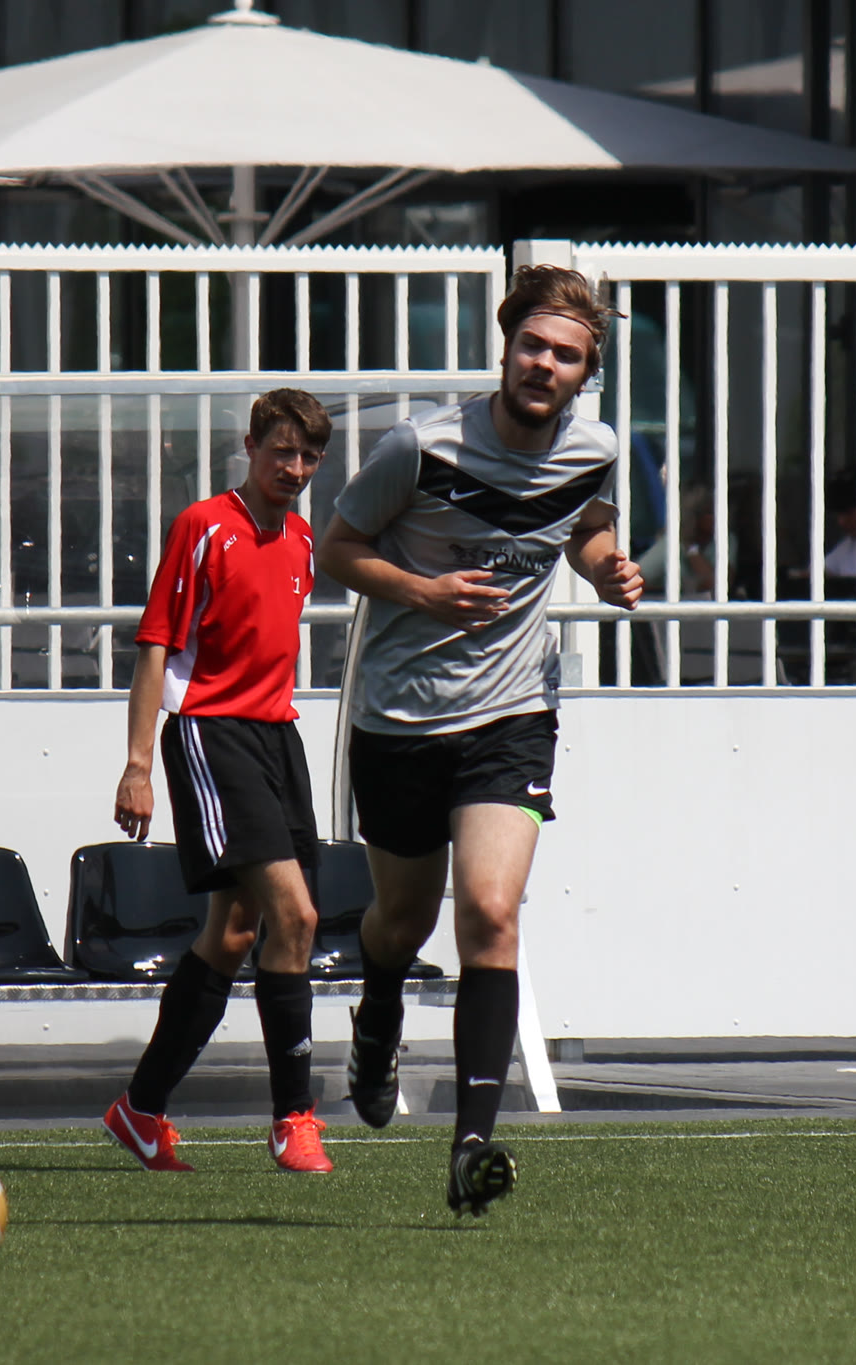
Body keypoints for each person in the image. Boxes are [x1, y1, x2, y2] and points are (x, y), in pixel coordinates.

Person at [316, 266, 642, 1217]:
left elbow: (585, 523)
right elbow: (335, 550)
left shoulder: (595, 449)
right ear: (505, 347)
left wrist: (606, 567)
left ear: (585, 374)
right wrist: (423, 591)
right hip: (401, 718)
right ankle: (378, 1015)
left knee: (492, 914)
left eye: (566, 355)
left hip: (512, 714)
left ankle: (472, 1145)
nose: (544, 364)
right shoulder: (420, 447)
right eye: (532, 345)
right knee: (402, 921)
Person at [102, 388, 334, 1175]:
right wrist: (139, 764)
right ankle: (294, 1118)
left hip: (278, 739)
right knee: (296, 915)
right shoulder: (203, 526)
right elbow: (155, 645)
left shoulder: (302, 538)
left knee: (234, 934)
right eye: (282, 451)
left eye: (308, 456)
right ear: (250, 446)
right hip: (212, 733)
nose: (294, 467)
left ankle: (140, 1109)